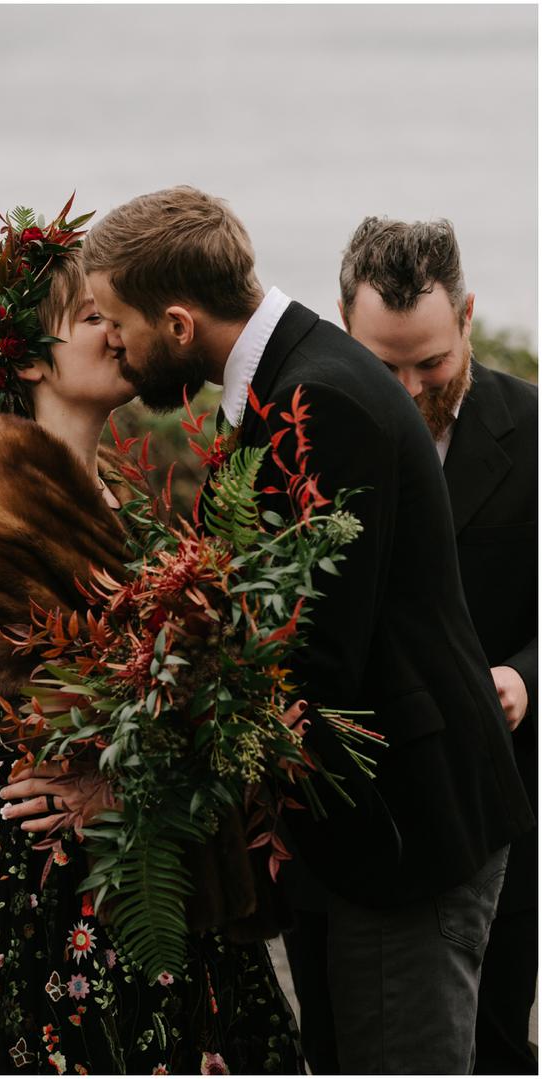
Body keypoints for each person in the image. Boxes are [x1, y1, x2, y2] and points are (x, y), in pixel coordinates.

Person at [82, 186, 534, 1073]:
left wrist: (130, 779)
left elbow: (303, 658)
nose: (112, 343)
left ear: (178, 323)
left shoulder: (321, 398)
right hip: (363, 833)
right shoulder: (290, 378)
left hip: (403, 836)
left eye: (116, 320)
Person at [0, 203, 302, 1075]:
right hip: (42, 848)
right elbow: (28, 697)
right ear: (34, 357)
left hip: (136, 840)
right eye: (90, 319)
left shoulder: (113, 490)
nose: (117, 334)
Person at [270, 217, 538, 1074]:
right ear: (343, 329)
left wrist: (525, 675)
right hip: (344, 821)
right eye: (384, 366)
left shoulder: (532, 432)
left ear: (468, 318)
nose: (413, 389)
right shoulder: (303, 432)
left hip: (487, 811)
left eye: (432, 363)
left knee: (490, 1040)